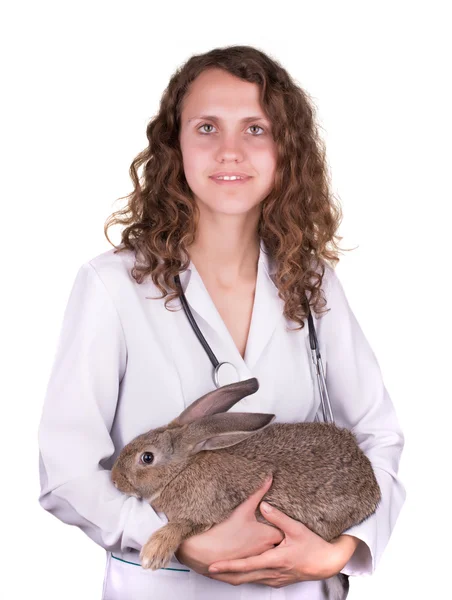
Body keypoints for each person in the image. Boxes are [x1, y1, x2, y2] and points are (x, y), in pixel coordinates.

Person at [37, 45, 406, 599]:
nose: (230, 151)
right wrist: (171, 537)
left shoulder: (314, 283)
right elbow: (64, 470)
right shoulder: (111, 287)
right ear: (174, 146)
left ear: (286, 149)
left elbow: (379, 434)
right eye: (207, 127)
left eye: (255, 129)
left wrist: (342, 549)